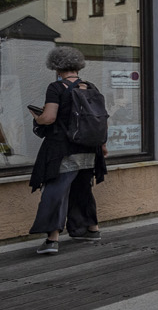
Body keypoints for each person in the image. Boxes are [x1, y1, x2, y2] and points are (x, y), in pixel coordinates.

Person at [28, 46, 106, 254]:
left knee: (56, 189)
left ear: (56, 66)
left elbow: (49, 117)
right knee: (82, 188)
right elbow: (99, 120)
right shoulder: (90, 87)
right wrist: (103, 146)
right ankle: (92, 229)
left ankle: (52, 239)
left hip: (63, 148)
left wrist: (37, 117)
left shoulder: (56, 87)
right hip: (90, 148)